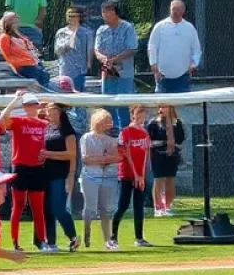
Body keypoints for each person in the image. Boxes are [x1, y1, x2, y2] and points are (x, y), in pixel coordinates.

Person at [0, 91, 49, 251]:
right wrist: (15, 99)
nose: (31, 108)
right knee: (18, 205)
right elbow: (3, 118)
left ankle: (42, 241)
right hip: (20, 166)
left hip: (37, 167)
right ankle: (15, 242)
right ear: (24, 107)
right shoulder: (18, 121)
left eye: (33, 104)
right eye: (27, 105)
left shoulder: (44, 124)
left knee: (37, 207)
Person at [79, 109, 121, 250]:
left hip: (106, 176)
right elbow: (85, 159)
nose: (108, 125)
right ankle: (86, 234)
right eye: (105, 121)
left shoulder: (110, 139)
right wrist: (103, 159)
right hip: (90, 175)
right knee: (90, 208)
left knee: (105, 209)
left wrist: (102, 160)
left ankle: (107, 240)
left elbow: (117, 157)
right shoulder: (86, 137)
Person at [113, 104, 153, 248]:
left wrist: (141, 175)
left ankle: (139, 238)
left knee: (139, 206)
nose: (142, 115)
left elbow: (145, 156)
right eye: (139, 112)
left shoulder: (145, 133)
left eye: (144, 112)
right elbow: (126, 153)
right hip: (126, 174)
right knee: (122, 206)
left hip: (140, 175)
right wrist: (136, 174)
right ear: (132, 115)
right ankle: (113, 237)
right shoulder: (125, 132)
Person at [41, 102, 79, 252]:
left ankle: (73, 236)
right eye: (48, 110)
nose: (49, 113)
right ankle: (51, 242)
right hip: (46, 173)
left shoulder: (67, 131)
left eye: (52, 110)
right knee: (47, 209)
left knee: (58, 208)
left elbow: (71, 154)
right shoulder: (47, 128)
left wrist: (48, 154)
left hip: (60, 174)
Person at [95, 0, 138, 128]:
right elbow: (97, 50)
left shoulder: (128, 28)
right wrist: (104, 59)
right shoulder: (101, 30)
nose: (106, 14)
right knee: (107, 105)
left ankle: (124, 133)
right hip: (107, 75)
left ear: (116, 12)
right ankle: (109, 131)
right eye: (103, 11)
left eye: (109, 11)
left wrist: (115, 59)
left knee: (124, 104)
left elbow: (132, 49)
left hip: (124, 74)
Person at [148, 0, 201, 93]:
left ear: (183, 11)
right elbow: (152, 47)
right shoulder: (160, 27)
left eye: (178, 9)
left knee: (182, 106)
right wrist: (153, 64)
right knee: (163, 107)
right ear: (170, 10)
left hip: (183, 78)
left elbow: (196, 50)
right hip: (162, 78)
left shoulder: (190, 28)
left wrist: (194, 65)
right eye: (173, 9)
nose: (175, 12)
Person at [0, 12, 51, 88]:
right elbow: (7, 55)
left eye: (17, 18)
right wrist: (20, 63)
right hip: (21, 66)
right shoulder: (4, 37)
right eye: (14, 18)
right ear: (8, 22)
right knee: (42, 76)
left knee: (46, 75)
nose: (17, 20)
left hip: (30, 63)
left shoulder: (19, 35)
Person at [147, 105, 184, 217]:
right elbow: (149, 138)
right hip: (158, 154)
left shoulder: (177, 123)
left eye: (165, 107)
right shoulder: (154, 123)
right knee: (158, 179)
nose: (162, 109)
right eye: (160, 107)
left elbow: (181, 138)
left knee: (170, 179)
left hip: (172, 154)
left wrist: (172, 144)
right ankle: (157, 207)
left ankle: (168, 207)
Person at [54, 7, 94, 92]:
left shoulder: (87, 33)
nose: (71, 18)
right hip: (64, 70)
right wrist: (72, 34)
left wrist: (89, 64)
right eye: (69, 15)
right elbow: (57, 50)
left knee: (78, 96)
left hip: (79, 70)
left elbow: (90, 49)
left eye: (74, 16)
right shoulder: (61, 32)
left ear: (80, 17)